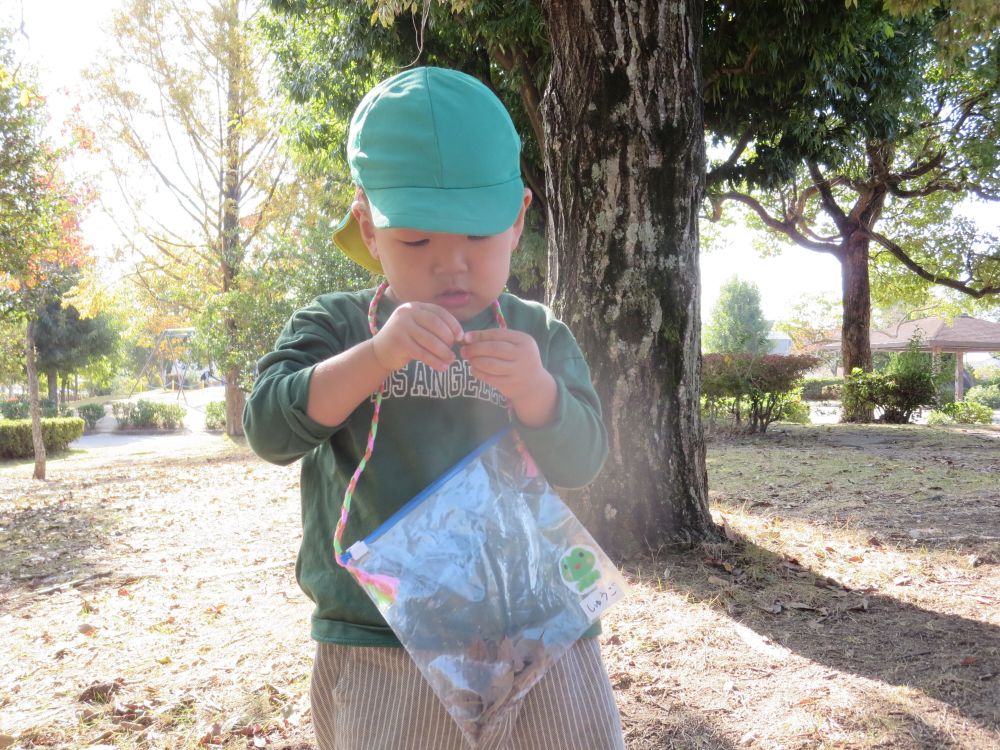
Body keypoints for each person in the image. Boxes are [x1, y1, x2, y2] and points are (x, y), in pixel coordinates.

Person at [243, 66, 624, 750]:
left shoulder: (536, 333)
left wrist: (536, 390)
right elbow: (268, 427)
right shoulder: (336, 326)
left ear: (517, 220)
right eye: (417, 241)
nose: (452, 264)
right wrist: (377, 357)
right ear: (368, 224)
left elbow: (584, 460)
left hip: (538, 630)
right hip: (382, 640)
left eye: (478, 237)